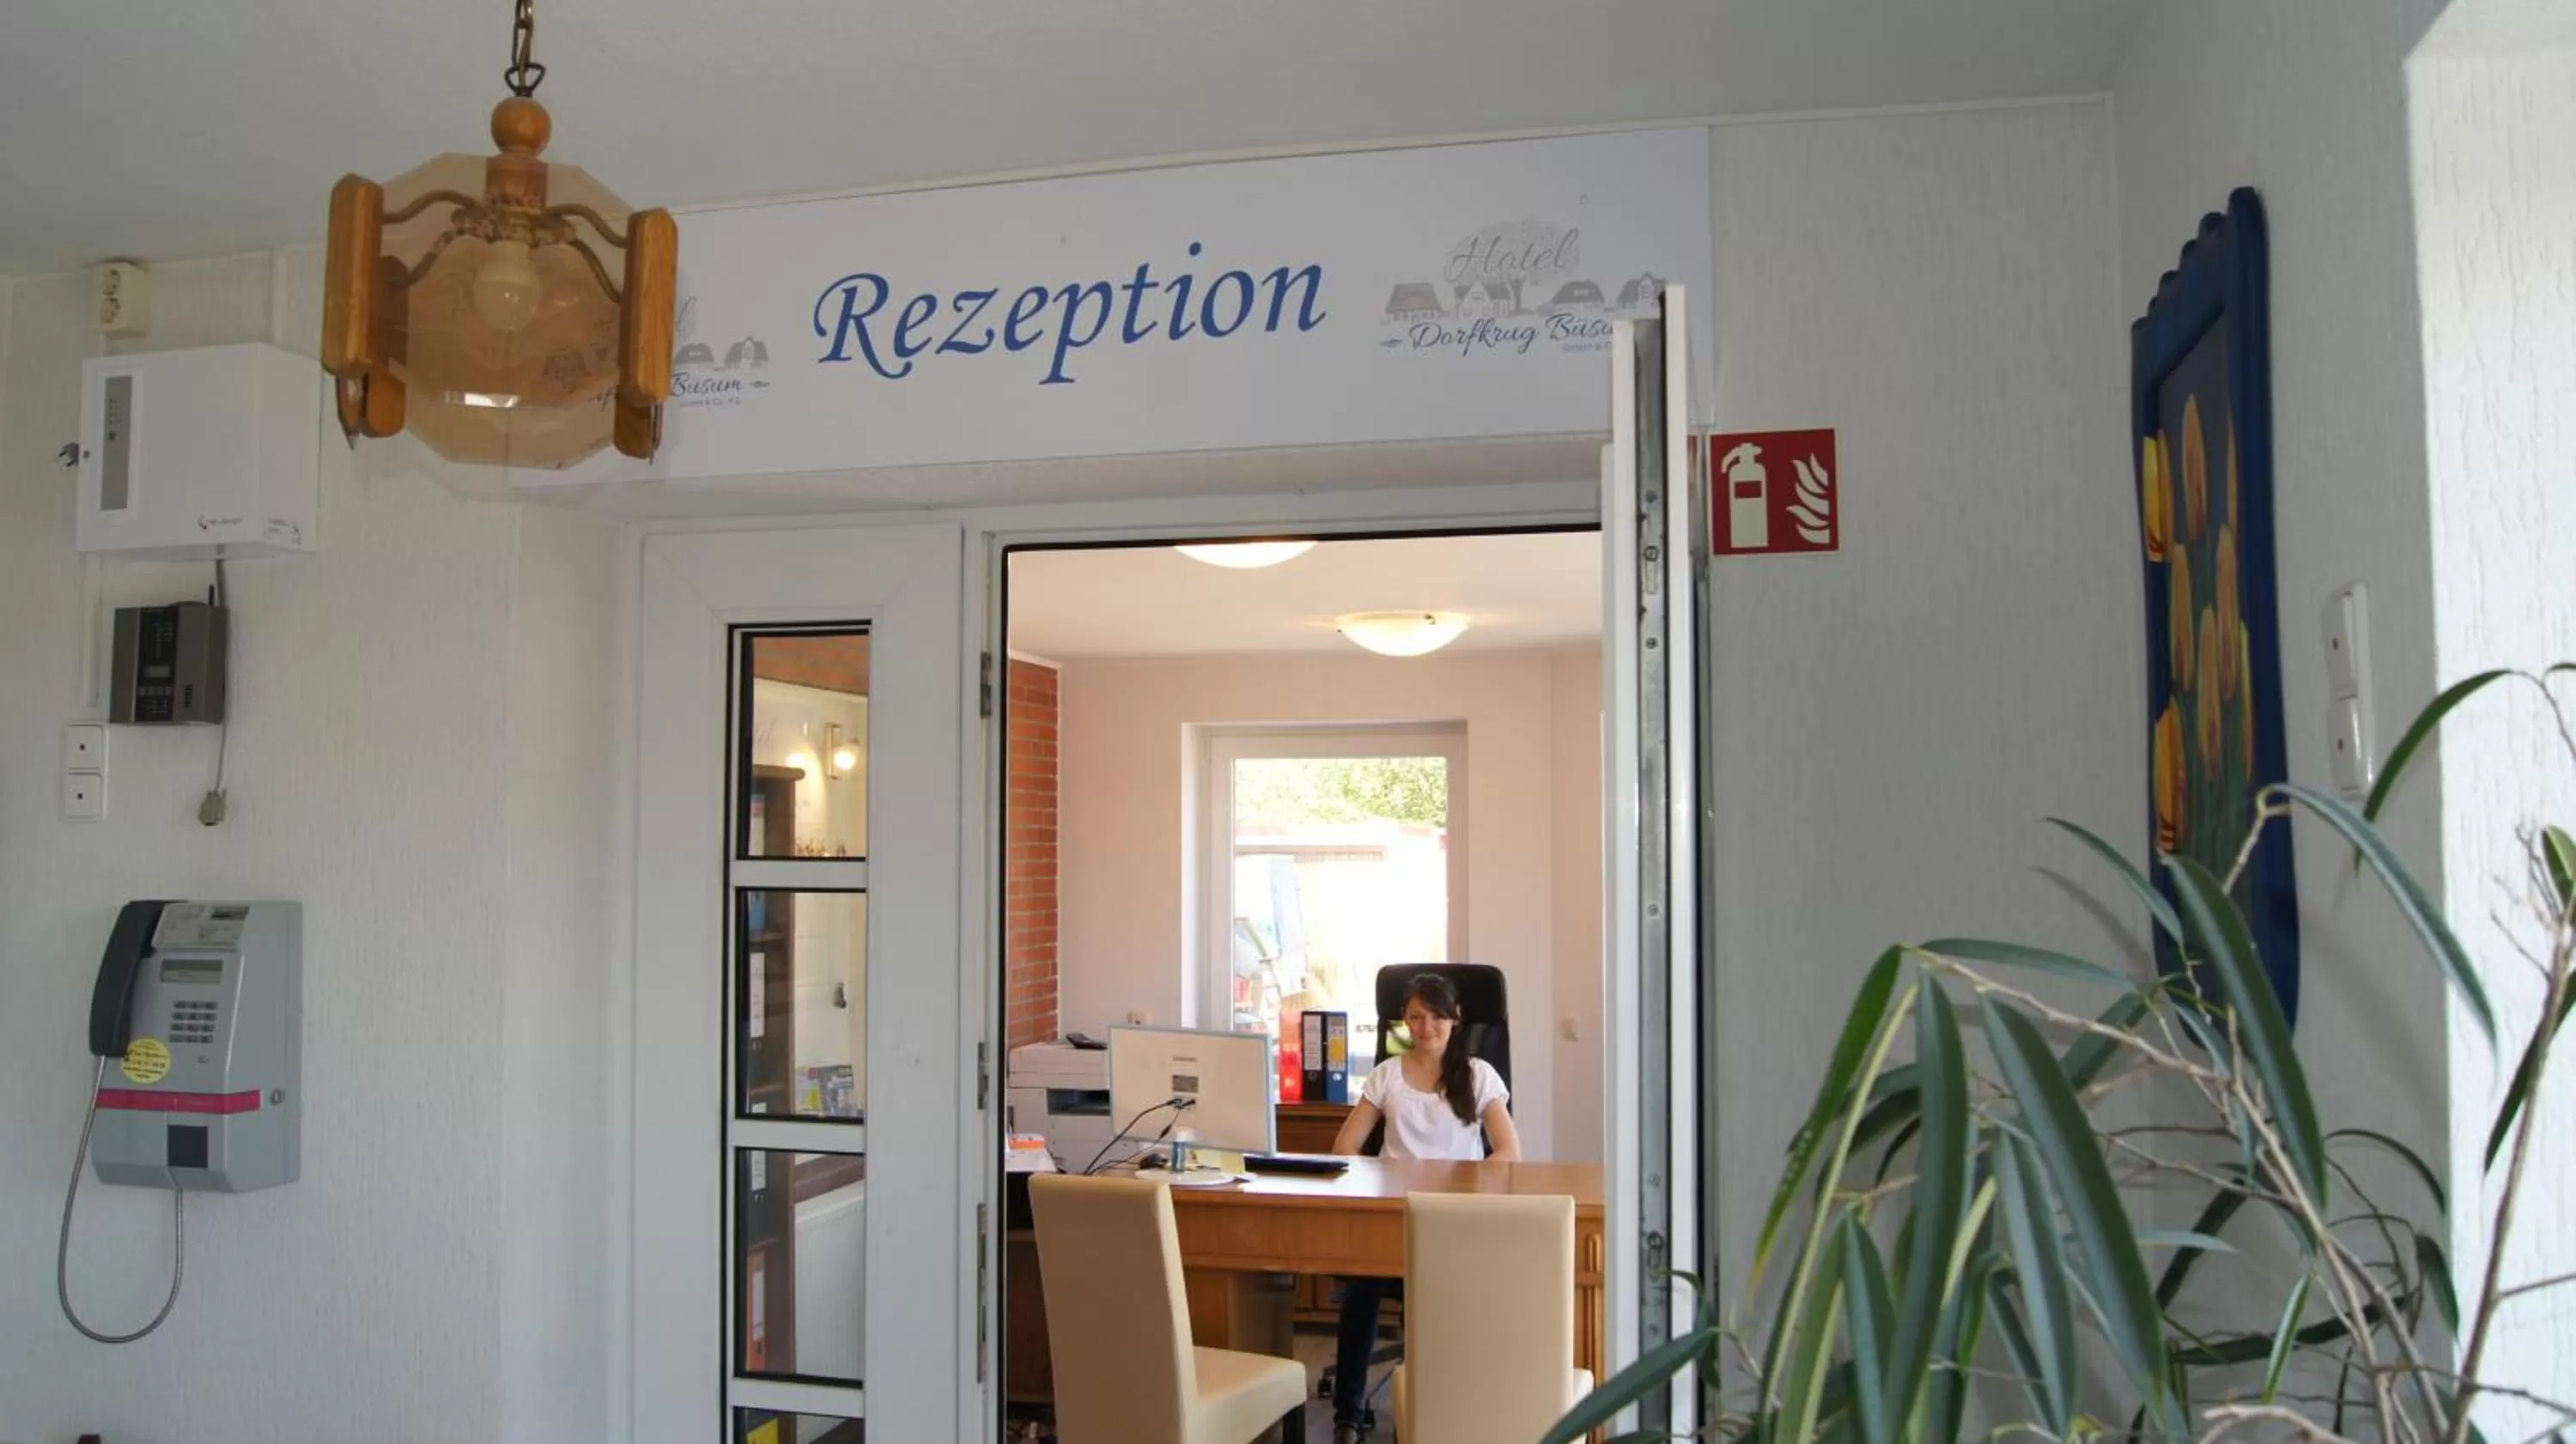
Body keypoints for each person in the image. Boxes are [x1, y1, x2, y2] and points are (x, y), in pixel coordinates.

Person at [1323, 973, 1521, 1442]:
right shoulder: (1387, 1075)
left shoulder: (1478, 1075)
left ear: (1456, 1019)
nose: (1426, 1025)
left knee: (1449, 1297)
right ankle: (1348, 1414)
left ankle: (1439, 1408)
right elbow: (1345, 1146)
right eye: (1415, 1016)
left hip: (1456, 1221)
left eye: (1436, 1015)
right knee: (1361, 1291)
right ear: (1404, 1021)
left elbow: (1509, 1150)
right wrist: (1381, 1180)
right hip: (1392, 1218)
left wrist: (1462, 1188)